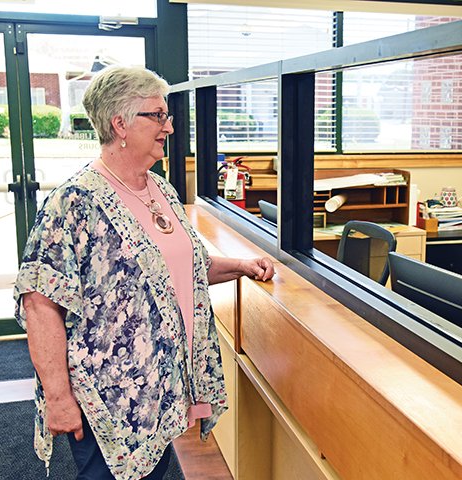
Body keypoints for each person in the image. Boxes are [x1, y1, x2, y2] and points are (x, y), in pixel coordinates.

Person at [14, 65, 275, 479]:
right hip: (109, 398)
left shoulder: (161, 189)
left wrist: (239, 266)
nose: (169, 127)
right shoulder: (75, 202)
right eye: (157, 115)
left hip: (159, 394)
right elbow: (40, 302)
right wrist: (59, 397)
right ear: (120, 122)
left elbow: (179, 270)